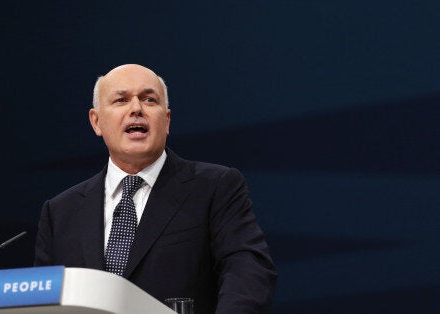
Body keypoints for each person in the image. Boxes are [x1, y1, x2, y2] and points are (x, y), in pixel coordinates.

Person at [34, 64, 277, 313]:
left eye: (149, 100)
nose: (136, 109)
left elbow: (247, 270)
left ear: (167, 120)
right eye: (121, 100)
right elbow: (42, 301)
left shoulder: (214, 187)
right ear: (96, 122)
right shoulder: (60, 212)